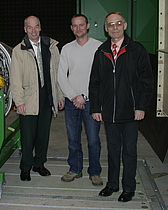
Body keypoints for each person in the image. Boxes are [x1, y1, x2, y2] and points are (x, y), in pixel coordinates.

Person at [89, 11, 154, 202]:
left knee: (129, 151)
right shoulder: (101, 51)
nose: (114, 27)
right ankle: (112, 185)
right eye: (110, 24)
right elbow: (95, 82)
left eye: (118, 23)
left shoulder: (137, 50)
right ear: (106, 28)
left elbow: (146, 82)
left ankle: (129, 187)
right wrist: (96, 108)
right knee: (113, 150)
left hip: (131, 112)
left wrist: (141, 106)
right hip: (109, 112)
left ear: (124, 25)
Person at [10, 15, 64, 181]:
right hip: (28, 99)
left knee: (43, 134)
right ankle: (25, 167)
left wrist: (59, 95)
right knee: (28, 136)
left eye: (36, 27)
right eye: (30, 27)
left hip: (47, 97)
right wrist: (19, 102)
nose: (33, 31)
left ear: (40, 28)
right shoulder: (19, 50)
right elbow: (15, 79)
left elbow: (58, 74)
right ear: (25, 29)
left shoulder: (52, 47)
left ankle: (39, 164)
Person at [58, 14, 103, 186]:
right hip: (72, 102)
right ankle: (75, 169)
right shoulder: (67, 49)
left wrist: (83, 96)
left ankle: (95, 172)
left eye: (81, 25)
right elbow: (61, 76)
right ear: (71, 28)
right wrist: (74, 96)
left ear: (88, 26)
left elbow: (100, 77)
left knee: (93, 139)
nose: (78, 29)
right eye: (75, 26)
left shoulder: (98, 47)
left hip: (91, 102)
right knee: (73, 138)